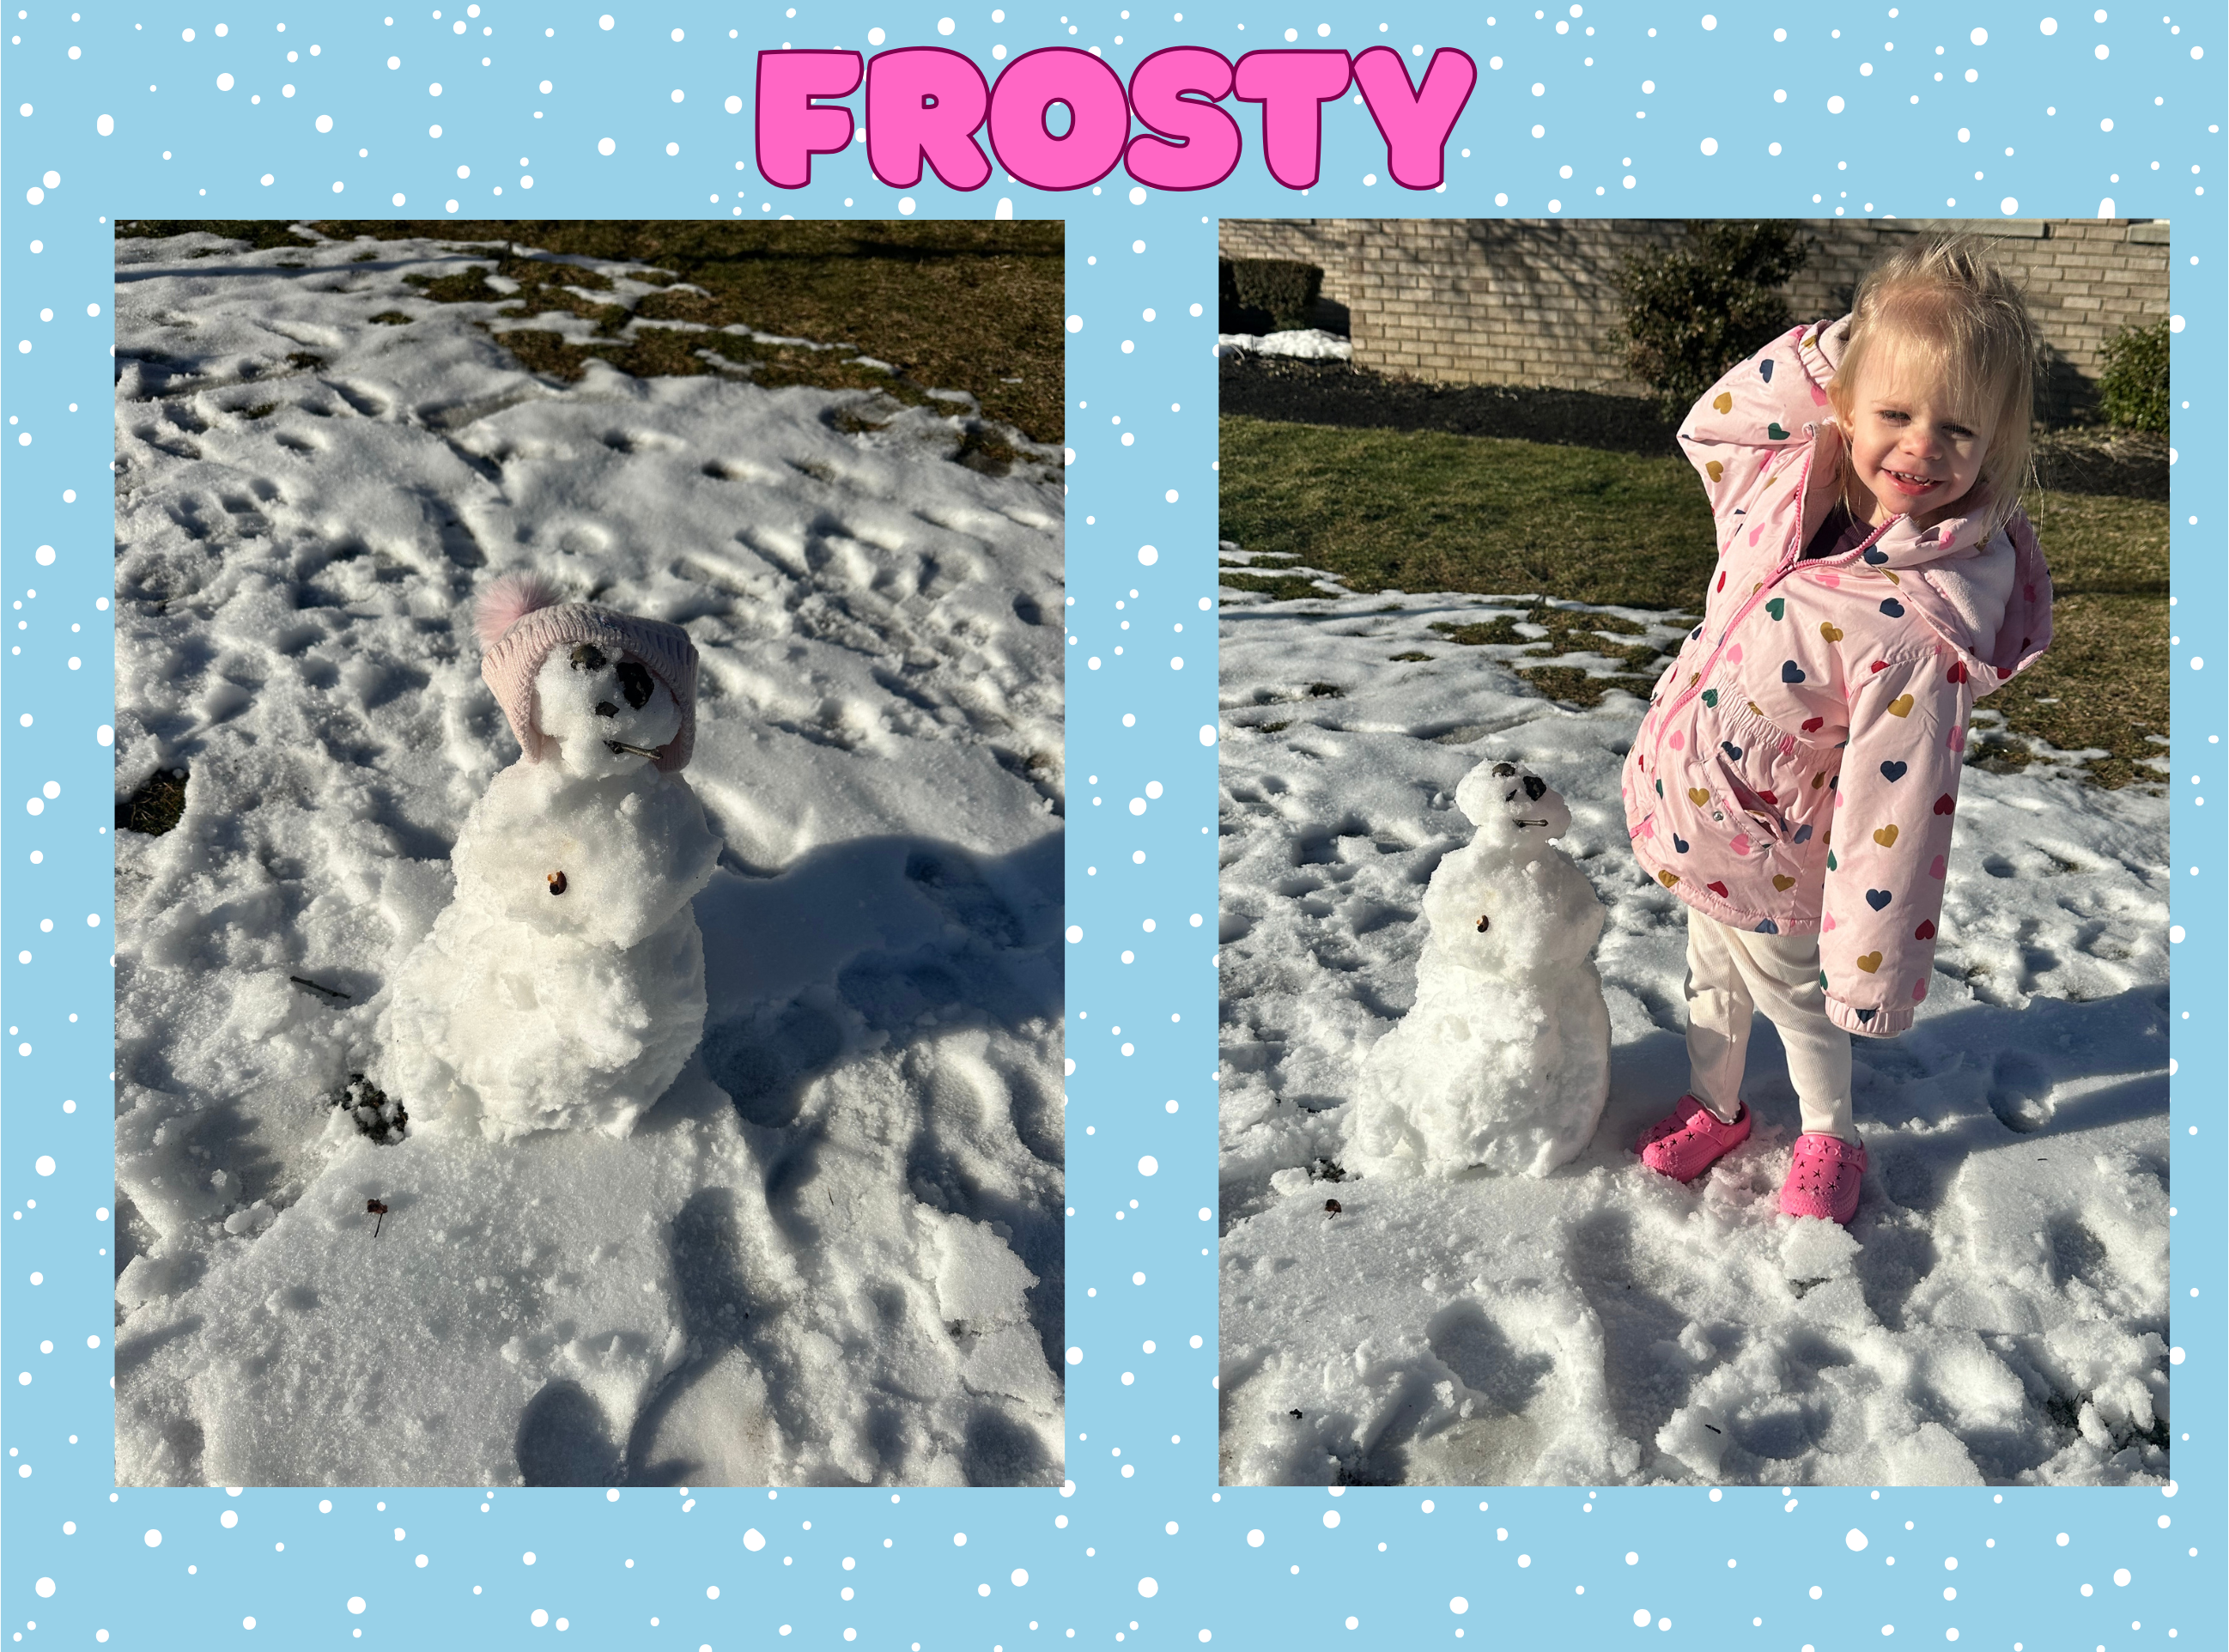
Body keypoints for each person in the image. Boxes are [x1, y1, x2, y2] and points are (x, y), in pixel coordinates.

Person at [1619, 235, 2056, 1224]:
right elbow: (1719, 422)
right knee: (1706, 980)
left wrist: (1870, 969)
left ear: (1992, 446)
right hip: (1699, 806)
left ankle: (1830, 1133)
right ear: (1845, 404)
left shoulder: (1925, 629)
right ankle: (1715, 1105)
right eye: (1894, 412)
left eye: (1956, 428)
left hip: (1777, 853)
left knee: (1793, 1005)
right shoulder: (1791, 478)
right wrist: (1836, 347)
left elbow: (1895, 815)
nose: (1919, 447)